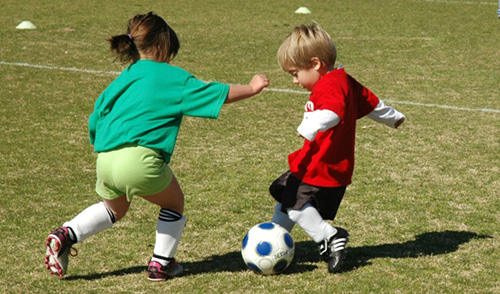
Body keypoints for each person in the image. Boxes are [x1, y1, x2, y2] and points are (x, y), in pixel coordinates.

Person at [44, 12, 269, 281]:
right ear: (163, 45)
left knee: (114, 209)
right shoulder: (171, 77)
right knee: (174, 203)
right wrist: (252, 87)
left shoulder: (123, 78)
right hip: (140, 161)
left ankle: (66, 234)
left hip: (105, 159)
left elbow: (96, 116)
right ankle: (161, 264)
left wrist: (103, 144)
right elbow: (213, 93)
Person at [269, 23, 405, 273]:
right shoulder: (343, 79)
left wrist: (309, 127)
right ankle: (274, 238)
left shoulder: (330, 85)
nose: (294, 81)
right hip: (328, 164)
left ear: (316, 64)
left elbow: (332, 113)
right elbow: (371, 102)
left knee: (295, 206)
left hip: (321, 164)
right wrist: (393, 117)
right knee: (285, 193)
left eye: (295, 73)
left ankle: (330, 237)